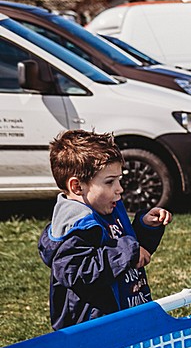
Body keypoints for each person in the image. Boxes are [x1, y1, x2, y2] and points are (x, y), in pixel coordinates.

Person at [38, 130, 172, 330]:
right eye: (110, 182)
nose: (119, 188)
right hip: (95, 326)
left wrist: (145, 227)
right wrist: (129, 252)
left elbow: (130, 247)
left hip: (126, 311)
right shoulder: (77, 224)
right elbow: (75, 271)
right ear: (77, 187)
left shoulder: (107, 207)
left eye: (119, 179)